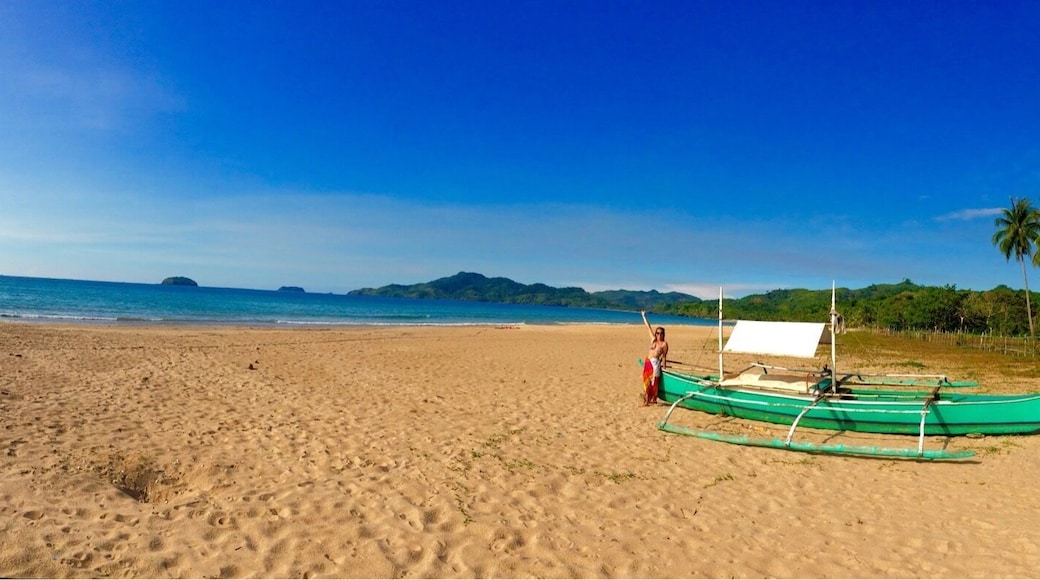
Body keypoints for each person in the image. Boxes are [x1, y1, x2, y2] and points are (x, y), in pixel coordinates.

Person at [640, 310, 668, 405]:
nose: (659, 335)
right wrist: (644, 316)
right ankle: (646, 399)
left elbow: (664, 357)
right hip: (648, 362)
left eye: (661, 333)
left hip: (655, 364)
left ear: (664, 334)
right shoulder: (653, 339)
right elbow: (648, 327)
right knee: (645, 381)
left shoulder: (664, 344)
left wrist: (664, 368)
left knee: (653, 382)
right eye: (657, 333)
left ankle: (649, 400)